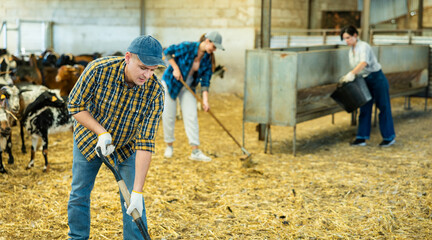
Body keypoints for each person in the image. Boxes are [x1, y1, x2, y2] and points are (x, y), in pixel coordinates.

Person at [67, 35, 165, 239]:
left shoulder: (155, 92)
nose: (147, 75)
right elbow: (75, 105)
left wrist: (137, 192)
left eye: (152, 70)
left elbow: (145, 143)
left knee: (132, 200)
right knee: (79, 193)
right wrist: (101, 132)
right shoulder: (99, 69)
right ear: (128, 57)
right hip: (89, 140)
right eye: (143, 67)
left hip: (126, 146)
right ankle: (77, 237)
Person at [161, 31, 225, 161]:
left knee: (191, 116)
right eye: (214, 46)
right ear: (207, 41)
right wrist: (175, 68)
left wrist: (205, 101)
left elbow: (206, 81)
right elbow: (167, 51)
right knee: (168, 116)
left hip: (188, 87)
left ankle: (195, 151)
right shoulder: (188, 46)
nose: (214, 50)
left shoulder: (207, 59)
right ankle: (169, 146)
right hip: (171, 83)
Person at [340, 25, 396, 147]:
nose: (346, 41)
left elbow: (364, 63)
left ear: (355, 35)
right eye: (344, 39)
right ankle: (361, 137)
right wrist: (352, 76)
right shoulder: (351, 50)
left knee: (383, 106)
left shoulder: (364, 46)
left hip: (376, 78)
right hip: (364, 80)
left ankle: (389, 137)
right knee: (364, 108)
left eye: (348, 38)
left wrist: (351, 74)